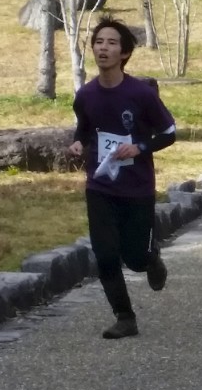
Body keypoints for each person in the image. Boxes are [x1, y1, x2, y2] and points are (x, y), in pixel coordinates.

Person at [69, 18, 177, 339]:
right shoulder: (86, 95)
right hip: (100, 185)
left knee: (135, 258)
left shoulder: (140, 94)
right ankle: (124, 317)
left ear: (125, 53)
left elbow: (169, 132)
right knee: (104, 254)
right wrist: (78, 143)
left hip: (137, 189)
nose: (104, 47)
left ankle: (151, 258)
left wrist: (140, 147)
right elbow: (84, 129)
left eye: (112, 42)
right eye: (99, 42)